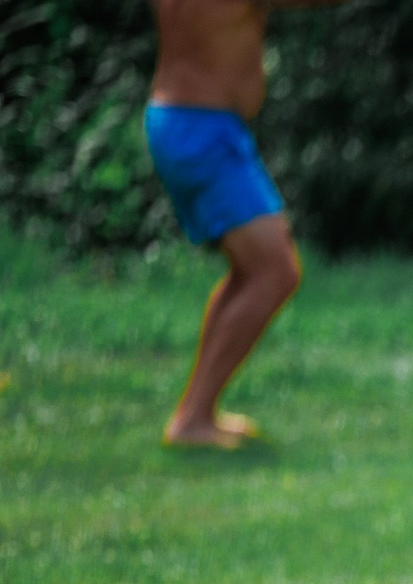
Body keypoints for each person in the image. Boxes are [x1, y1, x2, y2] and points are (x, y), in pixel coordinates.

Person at [144, 0, 344, 449]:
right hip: (203, 130)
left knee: (252, 271)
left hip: (187, 121)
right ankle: (191, 419)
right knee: (276, 272)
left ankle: (198, 411)